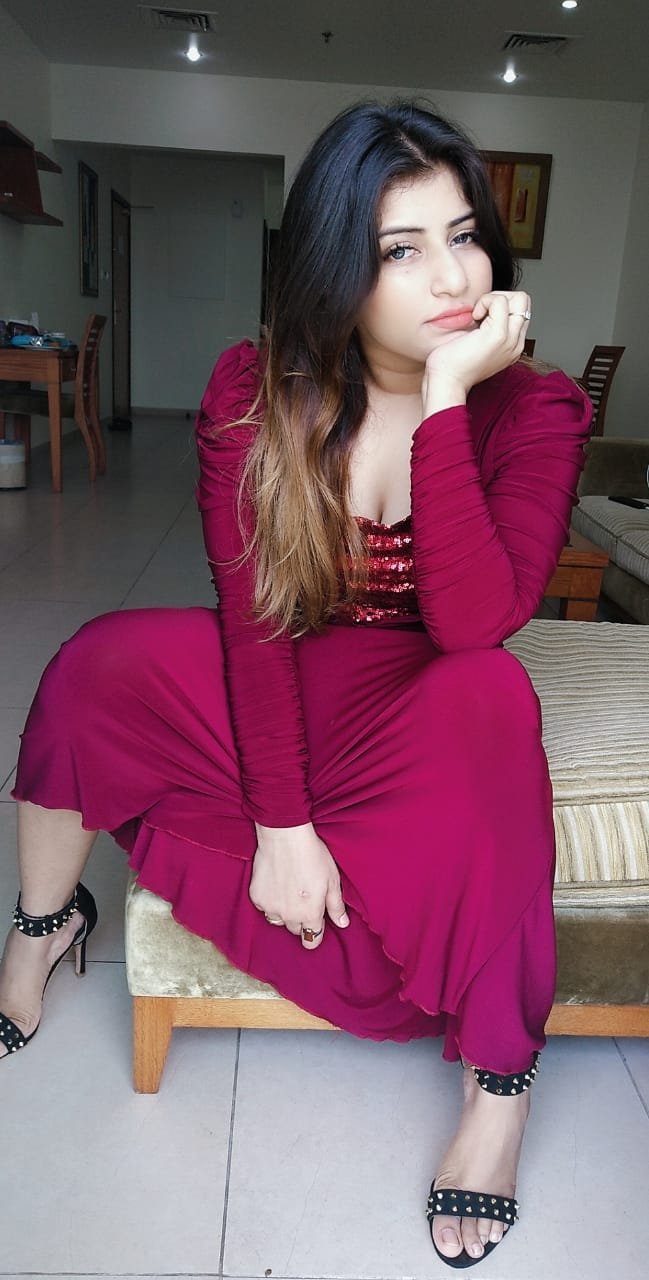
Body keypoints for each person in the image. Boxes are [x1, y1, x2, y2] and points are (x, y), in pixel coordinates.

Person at [0, 100, 591, 1269]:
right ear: (334, 268)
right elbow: (256, 626)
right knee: (96, 663)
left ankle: (498, 1087)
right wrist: (283, 827)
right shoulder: (253, 389)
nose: (451, 275)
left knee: (493, 693)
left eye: (464, 236)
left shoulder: (534, 407)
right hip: (284, 682)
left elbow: (474, 622)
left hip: (426, 704)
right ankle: (42, 924)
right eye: (400, 249)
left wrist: (446, 398)